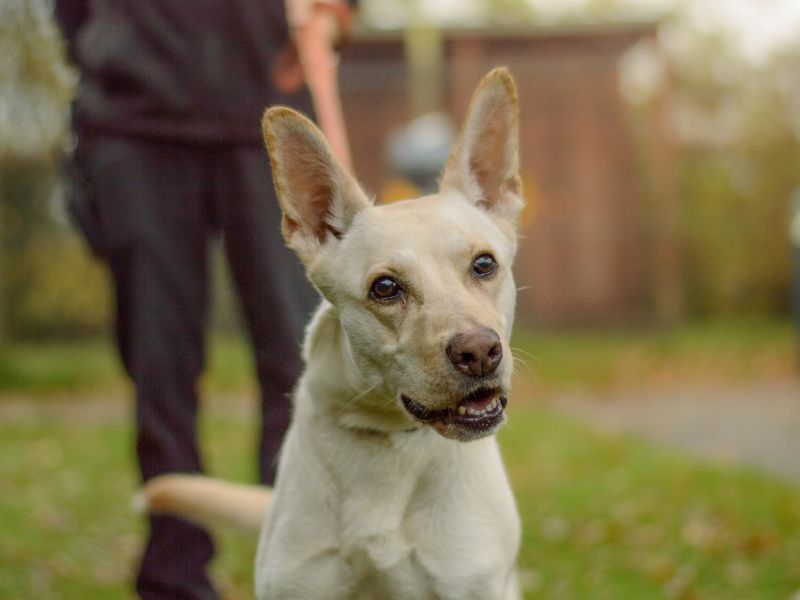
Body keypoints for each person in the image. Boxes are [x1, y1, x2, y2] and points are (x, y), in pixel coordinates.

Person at [54, 1, 354, 598]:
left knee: (298, 358)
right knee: (159, 363)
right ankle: (175, 573)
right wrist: (109, 45)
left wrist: (335, 12)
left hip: (269, 115)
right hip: (134, 125)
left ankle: (305, 565)